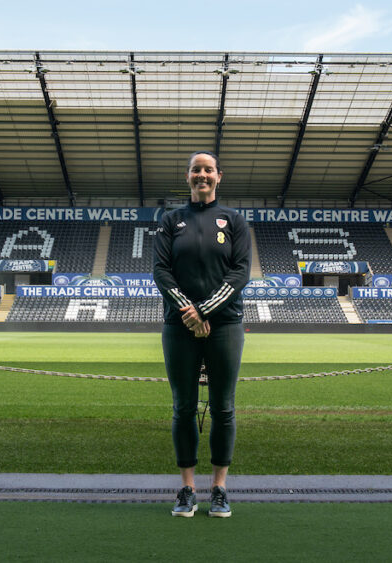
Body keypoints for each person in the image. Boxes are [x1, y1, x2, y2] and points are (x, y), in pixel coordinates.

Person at [153, 150, 251, 518]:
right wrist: (189, 313)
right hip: (178, 326)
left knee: (224, 408)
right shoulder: (170, 220)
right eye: (196, 170)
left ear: (219, 176)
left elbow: (240, 273)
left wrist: (205, 310)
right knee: (183, 408)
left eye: (208, 170)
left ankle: (220, 489)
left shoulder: (234, 221)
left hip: (225, 325)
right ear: (188, 176)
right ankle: (187, 489)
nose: (202, 175)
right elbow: (161, 271)